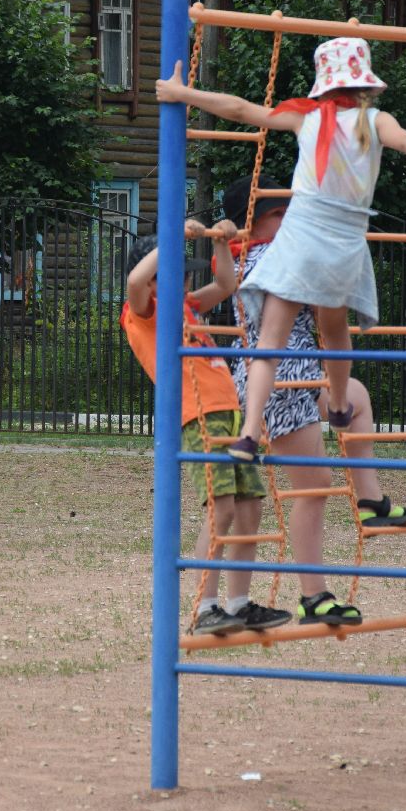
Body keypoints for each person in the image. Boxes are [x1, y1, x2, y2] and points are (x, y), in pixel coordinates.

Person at [156, 38, 406, 463]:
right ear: (365, 85)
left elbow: (241, 110)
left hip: (302, 238)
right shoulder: (375, 120)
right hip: (344, 244)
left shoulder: (307, 119)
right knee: (334, 329)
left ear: (322, 84)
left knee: (270, 339)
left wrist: (183, 93)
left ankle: (249, 434)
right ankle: (340, 405)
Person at [220, 174, 406, 532]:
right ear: (251, 224)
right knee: (314, 488)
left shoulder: (254, 256)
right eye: (280, 214)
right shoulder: (272, 257)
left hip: (296, 373)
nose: (290, 220)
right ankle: (313, 588)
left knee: (355, 395)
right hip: (281, 381)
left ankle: (371, 500)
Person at [123, 221, 292, 635]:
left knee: (250, 507)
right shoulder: (142, 312)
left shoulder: (187, 306)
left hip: (232, 412)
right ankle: (205, 606)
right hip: (197, 415)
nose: (184, 280)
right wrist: (175, 236)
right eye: (176, 273)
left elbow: (226, 282)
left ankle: (237, 604)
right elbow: (135, 279)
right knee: (224, 508)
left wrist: (219, 242)